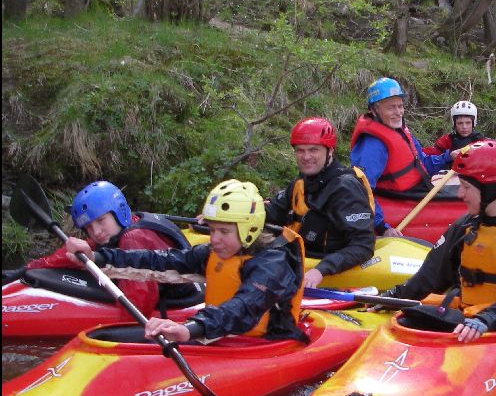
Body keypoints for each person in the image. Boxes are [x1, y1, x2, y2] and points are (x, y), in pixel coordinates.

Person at [66, 179, 307, 344]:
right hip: (219, 337)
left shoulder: (272, 265)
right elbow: (160, 262)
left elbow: (242, 309)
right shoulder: (214, 251)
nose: (215, 239)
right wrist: (97, 257)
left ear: (248, 229)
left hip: (264, 347)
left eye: (223, 232)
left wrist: (190, 329)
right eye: (212, 230)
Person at [380, 141, 496, 344]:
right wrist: (393, 297)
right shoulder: (465, 225)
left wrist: (487, 319)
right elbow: (430, 275)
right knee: (412, 316)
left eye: (466, 187)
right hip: (467, 318)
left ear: (491, 189)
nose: (460, 194)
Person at [2, 181, 196, 317]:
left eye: (101, 221)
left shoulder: (133, 238)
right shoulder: (122, 227)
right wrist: (24, 270)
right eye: (89, 227)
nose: (96, 231)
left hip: (178, 304)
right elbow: (73, 255)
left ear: (118, 211)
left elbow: (137, 307)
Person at [265, 117, 375, 288]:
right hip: (298, 256)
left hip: (326, 268)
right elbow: (271, 214)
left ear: (330, 151)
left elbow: (363, 245)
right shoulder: (301, 183)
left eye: (313, 150)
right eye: (300, 151)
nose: (306, 157)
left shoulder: (346, 188)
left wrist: (321, 270)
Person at [350, 77, 456, 237]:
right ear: (374, 110)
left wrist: (448, 157)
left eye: (400, 106)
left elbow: (422, 164)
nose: (398, 112)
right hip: (399, 198)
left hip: (417, 190)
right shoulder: (372, 144)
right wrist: (382, 226)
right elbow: (361, 189)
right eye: (391, 108)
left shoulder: (399, 130)